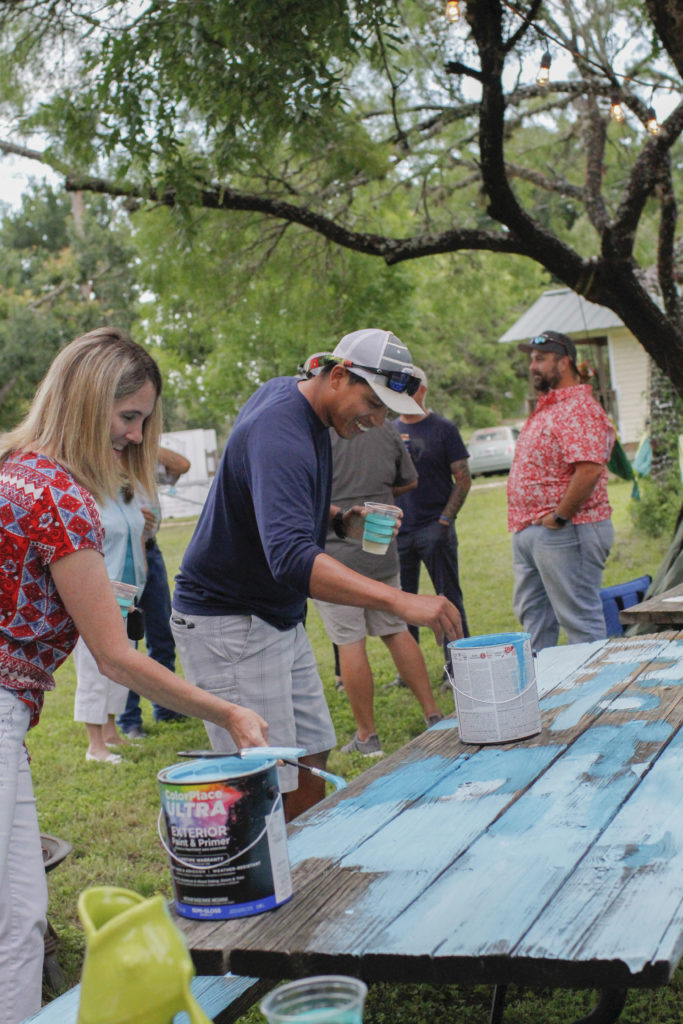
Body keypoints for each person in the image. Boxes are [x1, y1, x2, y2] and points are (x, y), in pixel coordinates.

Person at [0, 328, 268, 1024]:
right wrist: (230, 713)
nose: (135, 435)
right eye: (127, 418)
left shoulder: (13, 467)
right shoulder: (60, 498)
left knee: (21, 918)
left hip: (11, 710)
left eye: (144, 420)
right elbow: (117, 655)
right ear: (87, 404)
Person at [171, 328, 463, 820]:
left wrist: (336, 519)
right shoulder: (280, 430)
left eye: (387, 411)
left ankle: (305, 868)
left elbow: (269, 501)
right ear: (338, 375)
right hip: (231, 620)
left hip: (275, 616)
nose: (376, 421)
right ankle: (278, 884)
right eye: (371, 403)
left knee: (311, 752)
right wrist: (400, 601)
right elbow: (288, 556)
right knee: (265, 778)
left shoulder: (297, 400)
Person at [313, 422, 444, 756]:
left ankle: (367, 737)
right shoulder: (385, 429)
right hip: (379, 546)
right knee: (396, 630)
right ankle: (434, 714)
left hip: (334, 557)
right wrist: (378, 498)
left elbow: (305, 490)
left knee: (349, 642)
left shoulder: (316, 429)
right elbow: (409, 480)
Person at [507, 330, 615, 651]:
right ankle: (545, 696)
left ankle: (599, 698)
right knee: (535, 623)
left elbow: (590, 469)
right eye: (531, 359)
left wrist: (559, 516)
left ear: (564, 362)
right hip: (532, 530)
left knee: (580, 624)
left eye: (540, 359)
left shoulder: (579, 407)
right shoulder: (551, 407)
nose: (532, 366)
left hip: (568, 530)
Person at [392, 366, 471, 681]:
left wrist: (444, 520)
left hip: (433, 529)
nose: (402, 395)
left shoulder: (443, 429)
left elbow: (463, 478)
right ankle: (409, 674)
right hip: (400, 532)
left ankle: (459, 667)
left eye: (408, 388)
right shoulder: (389, 430)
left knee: (448, 597)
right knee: (403, 604)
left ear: (422, 390)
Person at [117, 445, 191, 739]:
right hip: (122, 558)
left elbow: (182, 465)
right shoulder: (103, 460)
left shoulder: (146, 460)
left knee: (162, 634)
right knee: (125, 640)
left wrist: (146, 442)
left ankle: (166, 708)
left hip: (152, 553)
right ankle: (129, 719)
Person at [73, 485, 147, 762]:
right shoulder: (86, 497)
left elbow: (138, 538)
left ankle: (111, 734)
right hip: (96, 593)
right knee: (92, 670)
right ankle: (95, 746)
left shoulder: (128, 497)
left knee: (121, 667)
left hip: (127, 592)